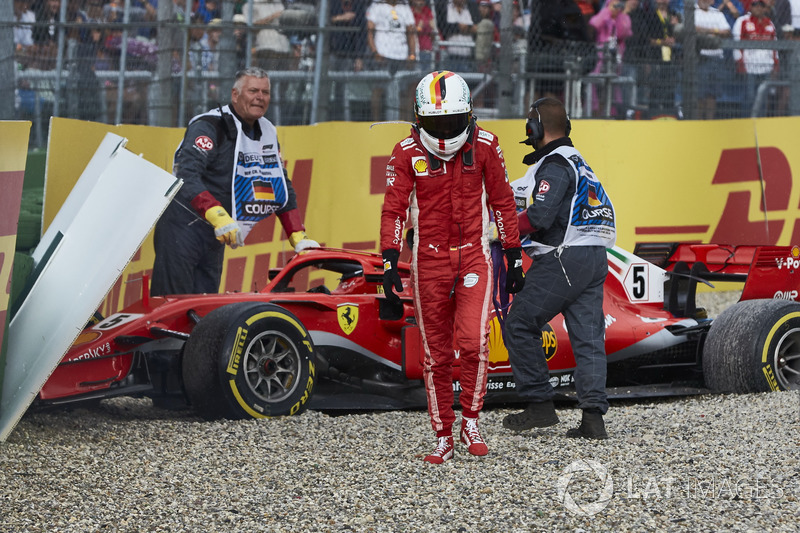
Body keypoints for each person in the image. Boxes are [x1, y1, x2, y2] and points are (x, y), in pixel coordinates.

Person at [379, 71, 525, 463]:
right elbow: (394, 207)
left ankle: (471, 421)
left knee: (474, 344)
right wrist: (390, 258)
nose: (445, 131)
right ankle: (443, 432)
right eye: (436, 122)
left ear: (469, 114)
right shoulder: (405, 151)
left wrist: (513, 255)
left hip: (474, 254)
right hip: (427, 260)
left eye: (452, 121)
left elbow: (504, 202)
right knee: (436, 354)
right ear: (418, 117)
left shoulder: (487, 146)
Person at [502, 97, 616, 440]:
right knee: (589, 338)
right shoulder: (579, 161)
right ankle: (593, 419)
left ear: (534, 127)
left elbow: (539, 216)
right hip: (594, 257)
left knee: (520, 323)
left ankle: (539, 405)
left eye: (528, 125)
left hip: (564, 258)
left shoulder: (553, 164)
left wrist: (501, 229)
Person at [151, 68, 318, 296]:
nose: (260, 97)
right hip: (182, 228)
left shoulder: (267, 131)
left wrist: (297, 235)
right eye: (253, 91)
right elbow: (186, 174)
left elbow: (280, 185)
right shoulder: (209, 125)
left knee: (205, 307)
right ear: (235, 95)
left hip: (216, 235)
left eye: (265, 92)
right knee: (170, 305)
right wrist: (216, 214)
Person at [366, 0, 417, 121]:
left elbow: (411, 32)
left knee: (403, 91)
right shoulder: (377, 6)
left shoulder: (405, 7)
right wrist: (375, 52)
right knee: (378, 89)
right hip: (383, 54)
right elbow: (370, 31)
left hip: (401, 55)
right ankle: (376, 121)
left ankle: (403, 123)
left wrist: (412, 54)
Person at [732, 0, 779, 116]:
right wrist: (740, 64)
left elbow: (775, 47)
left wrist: (776, 65)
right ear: (750, 7)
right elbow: (736, 45)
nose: (758, 7)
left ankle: (761, 124)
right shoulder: (742, 21)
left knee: (763, 99)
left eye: (761, 5)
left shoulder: (769, 23)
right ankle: (746, 124)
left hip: (766, 67)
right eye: (755, 5)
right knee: (749, 98)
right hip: (749, 67)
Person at [693, 0, 733, 119]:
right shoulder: (692, 11)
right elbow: (693, 29)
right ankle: (698, 122)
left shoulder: (717, 13)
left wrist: (707, 30)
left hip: (716, 56)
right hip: (700, 56)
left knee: (712, 94)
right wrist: (716, 31)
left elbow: (727, 32)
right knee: (700, 93)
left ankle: (710, 122)